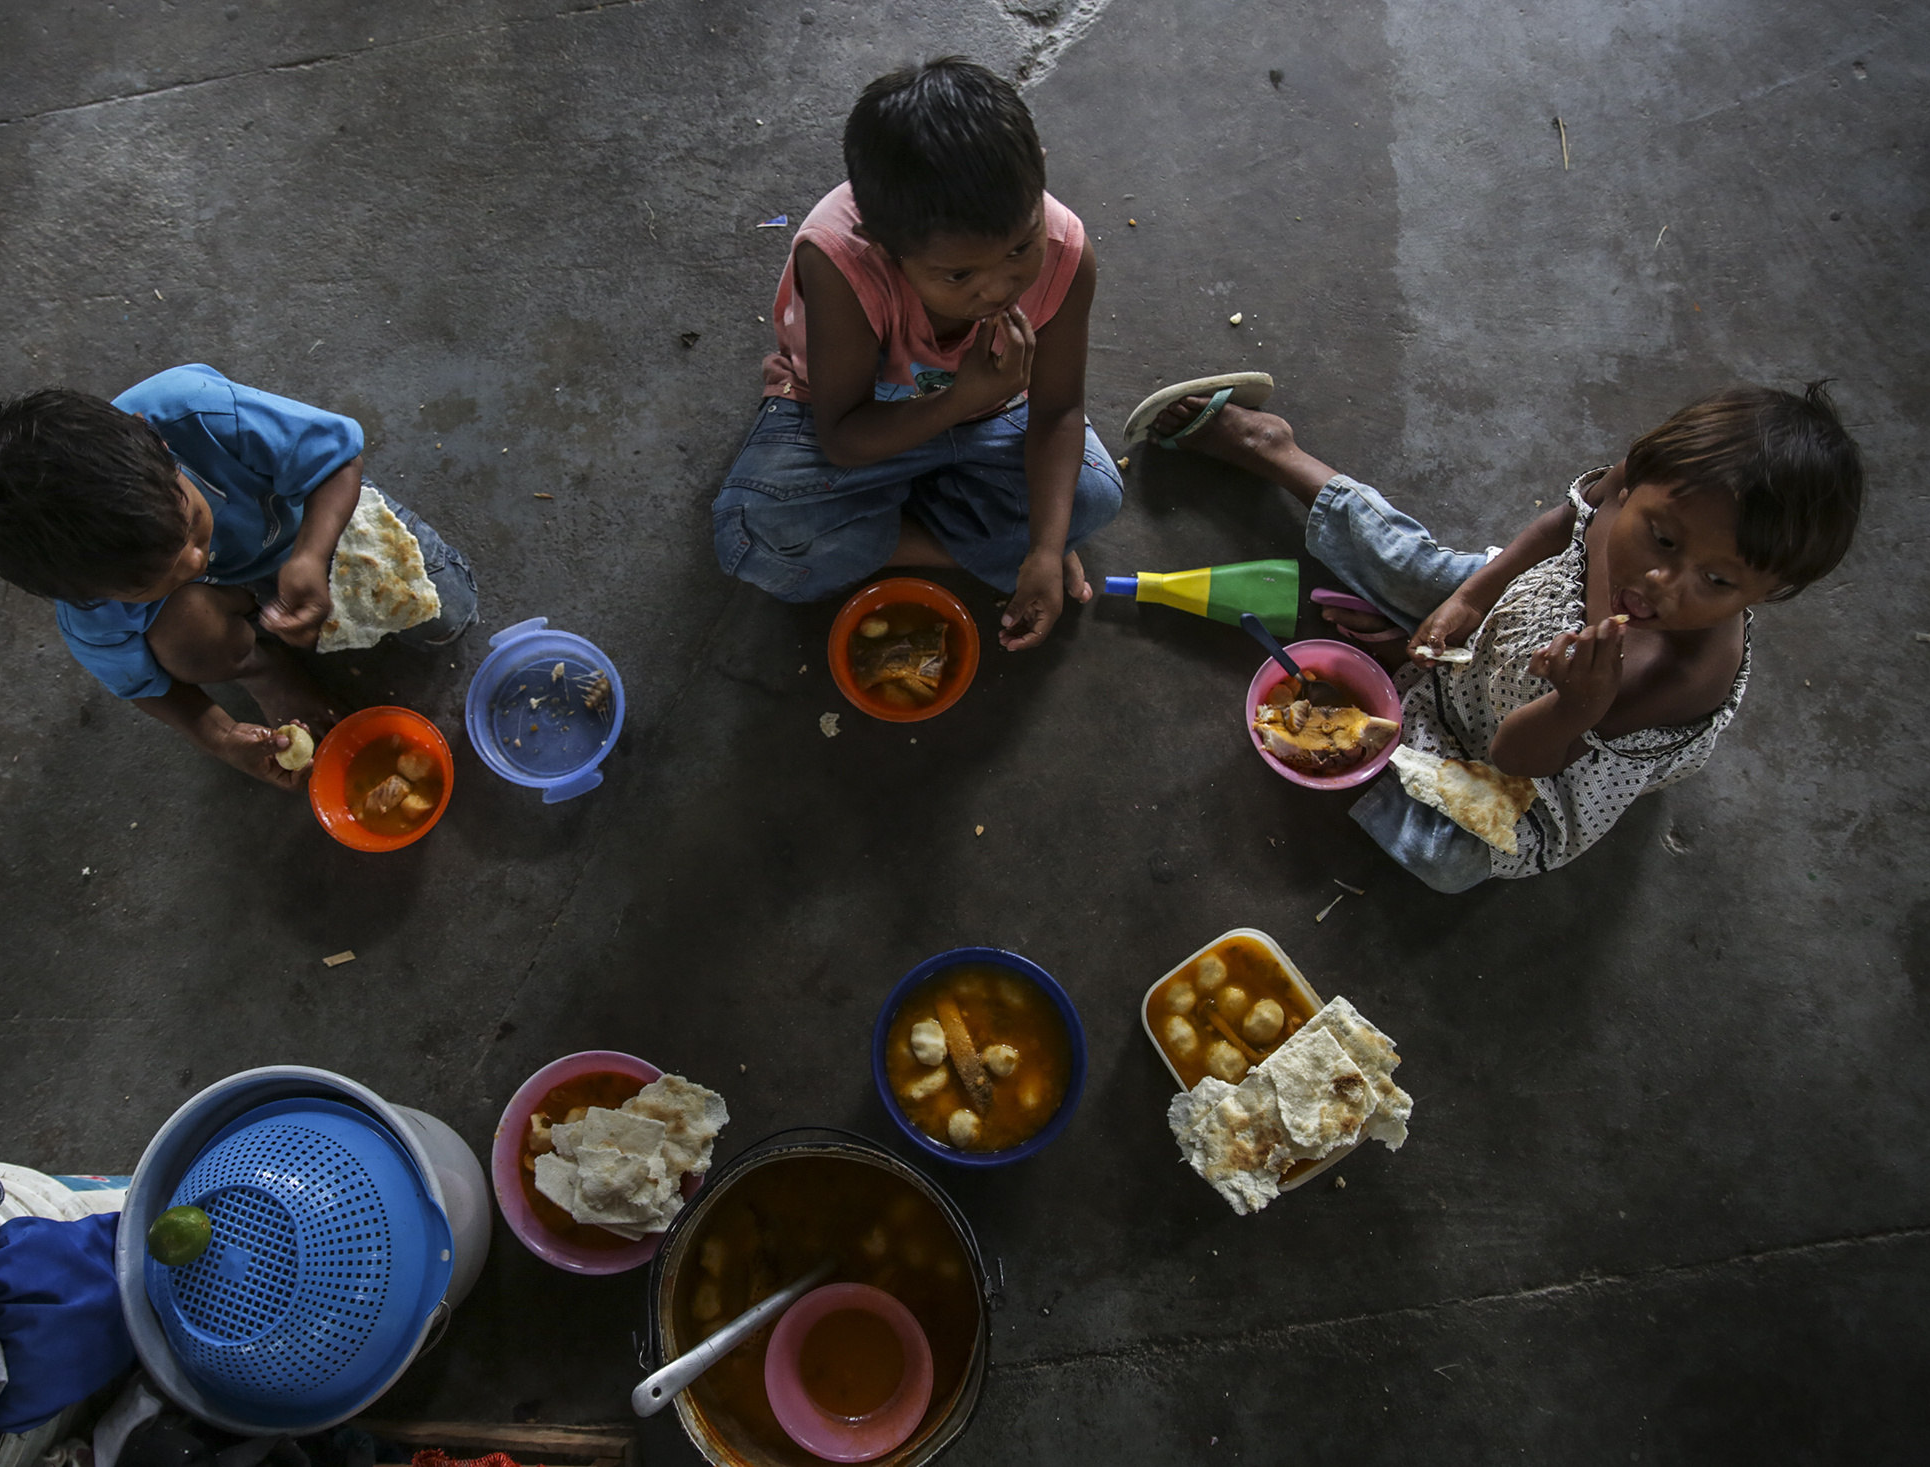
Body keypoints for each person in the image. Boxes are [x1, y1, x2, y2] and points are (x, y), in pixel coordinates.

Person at [1136, 378, 1864, 889]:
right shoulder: (1630, 486)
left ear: (1767, 594)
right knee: (1415, 564)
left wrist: (1575, 708)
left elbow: (1518, 760)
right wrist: (1468, 603)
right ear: (1637, 474)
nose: (1663, 586)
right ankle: (1274, 448)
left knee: (1441, 857)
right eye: (1663, 541)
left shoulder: (1675, 673)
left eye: (1719, 583)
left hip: (1535, 750)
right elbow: (1557, 529)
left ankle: (1395, 698)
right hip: (1515, 614)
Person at [712, 56, 1123, 651]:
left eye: (1020, 249)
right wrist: (963, 400)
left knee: (1095, 496)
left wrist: (1040, 550)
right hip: (865, 409)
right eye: (959, 276)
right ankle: (948, 544)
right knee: (754, 536)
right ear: (881, 245)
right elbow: (843, 436)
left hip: (990, 407)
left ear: (1039, 180)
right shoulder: (840, 262)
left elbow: (1058, 410)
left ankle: (892, 519)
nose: (1000, 288)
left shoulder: (1066, 251)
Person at [0, 364, 477, 787]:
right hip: (218, 606)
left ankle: (277, 598)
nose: (196, 562)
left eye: (194, 526)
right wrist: (221, 737)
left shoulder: (193, 412)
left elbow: (337, 459)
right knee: (179, 641)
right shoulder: (89, 606)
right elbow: (143, 687)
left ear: (161, 448)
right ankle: (262, 668)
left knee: (449, 613)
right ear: (83, 596)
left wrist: (311, 555)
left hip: (305, 527)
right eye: (155, 580)